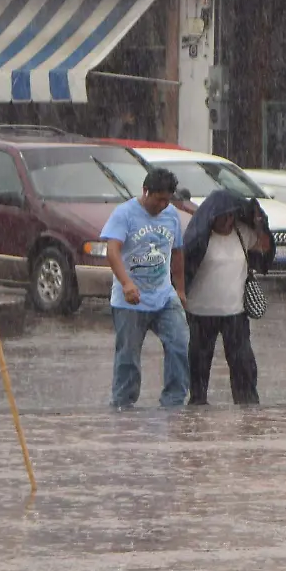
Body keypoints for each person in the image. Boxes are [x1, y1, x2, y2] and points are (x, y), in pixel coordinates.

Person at [103, 169, 188, 409]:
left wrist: (179, 289)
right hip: (129, 300)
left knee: (179, 344)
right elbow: (113, 251)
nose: (162, 205)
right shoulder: (124, 214)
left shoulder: (171, 216)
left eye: (167, 200)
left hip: (164, 296)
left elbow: (178, 252)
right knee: (128, 356)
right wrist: (127, 283)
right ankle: (123, 404)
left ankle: (174, 402)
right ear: (145, 191)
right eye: (158, 199)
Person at [181, 189, 271, 406]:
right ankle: (197, 409)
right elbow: (183, 266)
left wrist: (260, 225)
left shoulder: (242, 233)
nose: (228, 221)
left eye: (231, 216)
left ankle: (247, 408)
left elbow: (265, 249)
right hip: (200, 313)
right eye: (223, 217)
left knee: (243, 364)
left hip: (235, 313)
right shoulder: (199, 236)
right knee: (199, 366)